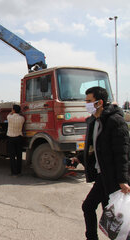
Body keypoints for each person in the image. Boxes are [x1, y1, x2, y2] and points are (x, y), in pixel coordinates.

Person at [71, 86, 130, 240]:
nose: (86, 104)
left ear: (100, 102)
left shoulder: (115, 121)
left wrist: (123, 180)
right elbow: (93, 146)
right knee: (102, 211)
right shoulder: (94, 121)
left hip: (112, 176)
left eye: (89, 101)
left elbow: (122, 152)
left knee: (111, 215)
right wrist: (78, 158)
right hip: (102, 174)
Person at [6, 104, 25, 177]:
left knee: (12, 156)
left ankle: (13, 172)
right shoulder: (22, 118)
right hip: (19, 138)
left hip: (11, 138)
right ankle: (19, 172)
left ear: (13, 110)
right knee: (19, 156)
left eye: (12, 109)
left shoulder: (9, 117)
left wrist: (11, 112)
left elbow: (9, 114)